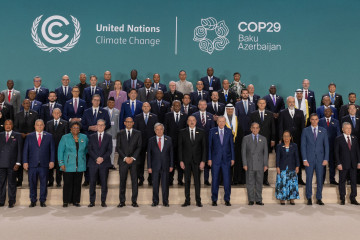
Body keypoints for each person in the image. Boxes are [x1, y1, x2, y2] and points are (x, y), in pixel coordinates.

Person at [23, 119, 55, 207]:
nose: (39, 126)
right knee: (32, 183)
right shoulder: (29, 136)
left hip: (44, 164)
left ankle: (42, 200)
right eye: (38, 125)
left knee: (44, 183)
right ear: (34, 126)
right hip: (32, 164)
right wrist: (25, 162)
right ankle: (33, 200)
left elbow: (52, 150)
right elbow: (25, 150)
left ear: (44, 126)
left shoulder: (49, 136)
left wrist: (52, 161)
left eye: (41, 125)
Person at [58, 121, 88, 207]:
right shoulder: (65, 137)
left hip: (80, 165)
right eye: (74, 127)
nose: (75, 129)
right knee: (67, 184)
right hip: (68, 165)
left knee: (77, 184)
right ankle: (66, 201)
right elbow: (60, 151)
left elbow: (86, 150)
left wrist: (81, 157)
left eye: (77, 128)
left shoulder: (84, 137)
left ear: (79, 129)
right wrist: (61, 163)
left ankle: (76, 201)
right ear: (70, 129)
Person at [178, 116, 206, 207]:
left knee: (197, 181)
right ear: (187, 122)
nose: (192, 122)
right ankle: (187, 200)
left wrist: (203, 161)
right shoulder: (182, 132)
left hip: (197, 161)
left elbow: (204, 148)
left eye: (193, 120)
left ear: (196, 121)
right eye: (190, 120)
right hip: (186, 161)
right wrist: (181, 160)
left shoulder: (201, 132)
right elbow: (180, 148)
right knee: (187, 181)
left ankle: (198, 200)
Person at [301, 113, 329, 205]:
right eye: (312, 119)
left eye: (316, 119)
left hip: (320, 159)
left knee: (320, 179)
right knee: (309, 178)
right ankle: (309, 197)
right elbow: (303, 146)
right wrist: (304, 159)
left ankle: (319, 198)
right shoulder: (305, 130)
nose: (314, 121)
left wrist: (326, 159)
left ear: (318, 120)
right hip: (309, 159)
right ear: (310, 120)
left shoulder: (323, 130)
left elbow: (326, 146)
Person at [278, 96, 305, 185]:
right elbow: (280, 127)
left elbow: (303, 127)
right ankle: (286, 177)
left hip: (298, 139)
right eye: (290, 102)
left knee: (298, 158)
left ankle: (299, 178)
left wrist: (303, 139)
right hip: (286, 139)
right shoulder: (282, 112)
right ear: (287, 103)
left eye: (293, 102)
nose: (291, 103)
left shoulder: (300, 112)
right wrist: (280, 139)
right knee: (286, 157)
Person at [208, 116, 235, 206]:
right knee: (215, 180)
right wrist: (209, 159)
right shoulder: (212, 131)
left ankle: (227, 199)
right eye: (220, 121)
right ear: (217, 122)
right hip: (215, 160)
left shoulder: (229, 131)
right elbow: (210, 147)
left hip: (226, 160)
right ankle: (214, 199)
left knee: (227, 181)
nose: (221, 123)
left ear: (225, 122)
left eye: (223, 121)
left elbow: (231, 146)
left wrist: (233, 158)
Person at [116, 117, 142, 207]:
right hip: (123, 161)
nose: (129, 123)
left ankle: (134, 201)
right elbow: (118, 147)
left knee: (135, 182)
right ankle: (122, 201)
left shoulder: (138, 133)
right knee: (122, 181)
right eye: (127, 122)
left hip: (134, 161)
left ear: (133, 123)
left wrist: (133, 157)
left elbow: (139, 147)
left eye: (131, 122)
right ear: (124, 123)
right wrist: (125, 158)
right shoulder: (120, 133)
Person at [147, 123, 173, 207]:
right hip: (155, 166)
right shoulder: (151, 140)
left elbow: (171, 153)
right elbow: (149, 155)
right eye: (157, 129)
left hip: (166, 166)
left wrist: (171, 165)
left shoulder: (168, 139)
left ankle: (165, 201)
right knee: (155, 185)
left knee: (165, 185)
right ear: (154, 131)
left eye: (161, 129)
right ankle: (155, 201)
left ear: (163, 130)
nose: (159, 131)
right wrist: (149, 166)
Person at [250, 98, 275, 186]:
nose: (261, 104)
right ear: (257, 104)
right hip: (255, 140)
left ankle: (265, 179)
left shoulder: (270, 114)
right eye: (260, 103)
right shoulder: (253, 114)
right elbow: (251, 128)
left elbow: (272, 128)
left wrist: (272, 139)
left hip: (266, 141)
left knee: (265, 160)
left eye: (263, 103)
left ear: (265, 104)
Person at [242, 122, 268, 205]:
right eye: (253, 128)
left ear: (259, 129)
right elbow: (243, 152)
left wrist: (265, 164)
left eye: (257, 128)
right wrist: (244, 164)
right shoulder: (246, 138)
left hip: (260, 164)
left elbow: (265, 153)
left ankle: (258, 199)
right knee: (250, 182)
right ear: (251, 129)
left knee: (259, 182)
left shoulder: (263, 139)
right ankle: (251, 199)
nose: (255, 129)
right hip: (250, 164)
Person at [88, 119, 113, 207]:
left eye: (102, 125)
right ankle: (92, 201)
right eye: (99, 125)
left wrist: (102, 158)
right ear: (96, 126)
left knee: (104, 183)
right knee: (92, 183)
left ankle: (103, 201)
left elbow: (110, 150)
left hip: (104, 163)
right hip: (93, 163)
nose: (100, 126)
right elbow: (89, 149)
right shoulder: (91, 136)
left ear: (105, 126)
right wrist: (96, 158)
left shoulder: (109, 137)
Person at [14, 99, 38, 187]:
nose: (27, 104)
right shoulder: (18, 114)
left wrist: (30, 134)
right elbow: (15, 127)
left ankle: (31, 181)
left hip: (31, 139)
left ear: (30, 104)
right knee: (20, 158)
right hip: (20, 139)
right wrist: (21, 134)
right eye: (25, 103)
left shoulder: (35, 113)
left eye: (28, 103)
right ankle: (19, 181)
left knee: (31, 159)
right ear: (22, 104)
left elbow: (37, 126)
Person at [335, 122, 360, 205]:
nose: (349, 130)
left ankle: (353, 198)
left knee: (353, 181)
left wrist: (359, 162)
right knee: (342, 181)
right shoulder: (338, 138)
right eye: (347, 128)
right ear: (343, 129)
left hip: (353, 164)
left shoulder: (354, 138)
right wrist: (338, 163)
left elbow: (357, 151)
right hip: (343, 164)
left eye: (350, 128)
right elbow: (336, 152)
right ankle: (342, 198)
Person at [134, 102, 158, 186]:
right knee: (140, 162)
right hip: (140, 143)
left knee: (152, 161)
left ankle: (151, 179)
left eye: (147, 106)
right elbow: (135, 131)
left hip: (152, 142)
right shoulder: (137, 117)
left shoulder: (154, 117)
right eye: (144, 106)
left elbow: (157, 130)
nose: (146, 107)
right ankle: (140, 178)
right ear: (142, 108)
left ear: (150, 107)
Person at [192, 99, 215, 185]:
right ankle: (196, 179)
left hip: (208, 142)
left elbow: (212, 129)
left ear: (206, 106)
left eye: (204, 104)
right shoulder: (194, 116)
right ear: (198, 106)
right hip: (197, 142)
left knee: (206, 159)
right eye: (200, 104)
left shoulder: (210, 115)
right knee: (197, 159)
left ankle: (206, 179)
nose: (202, 106)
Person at [164, 100, 187, 185]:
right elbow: (165, 129)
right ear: (172, 107)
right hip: (170, 143)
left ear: (180, 107)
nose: (177, 107)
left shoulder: (185, 116)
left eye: (178, 105)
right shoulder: (167, 115)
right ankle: (170, 180)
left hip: (181, 144)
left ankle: (180, 180)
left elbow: (186, 130)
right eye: (175, 105)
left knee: (180, 161)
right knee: (171, 162)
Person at [0, 120, 22, 208]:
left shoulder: (17, 135)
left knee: (12, 183)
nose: (8, 126)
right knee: (1, 183)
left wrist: (18, 162)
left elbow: (20, 150)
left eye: (10, 124)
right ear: (4, 126)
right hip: (1, 164)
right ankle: (1, 201)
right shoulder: (0, 135)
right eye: (6, 124)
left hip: (13, 164)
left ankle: (11, 201)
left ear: (12, 126)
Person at [275, 130, 300, 205]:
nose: (286, 137)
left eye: (287, 136)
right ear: (282, 137)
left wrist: (297, 166)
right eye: (284, 136)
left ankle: (292, 199)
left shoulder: (294, 145)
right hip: (282, 167)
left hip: (292, 167)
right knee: (282, 183)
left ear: (290, 137)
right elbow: (277, 158)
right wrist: (277, 167)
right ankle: (282, 199)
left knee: (292, 183)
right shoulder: (279, 146)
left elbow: (297, 157)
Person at [45, 108, 68, 187]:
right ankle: (50, 181)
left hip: (60, 147)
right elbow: (46, 135)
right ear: (52, 114)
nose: (56, 114)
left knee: (59, 165)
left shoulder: (65, 123)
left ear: (60, 114)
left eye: (58, 113)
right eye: (55, 113)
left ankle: (58, 182)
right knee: (50, 164)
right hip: (50, 147)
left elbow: (66, 136)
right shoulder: (48, 123)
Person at [319, 108, 341, 185]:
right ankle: (321, 180)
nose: (327, 112)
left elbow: (338, 133)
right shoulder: (320, 121)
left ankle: (332, 179)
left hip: (333, 146)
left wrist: (338, 145)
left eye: (328, 111)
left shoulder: (336, 121)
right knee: (322, 163)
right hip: (322, 146)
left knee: (332, 163)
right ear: (323, 112)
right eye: (325, 111)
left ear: (332, 113)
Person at [224, 104, 244, 185]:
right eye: (228, 109)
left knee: (237, 162)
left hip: (237, 145)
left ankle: (236, 179)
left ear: (233, 110)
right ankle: (227, 180)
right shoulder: (222, 120)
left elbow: (241, 132)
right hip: (226, 145)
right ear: (226, 110)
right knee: (227, 163)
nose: (230, 111)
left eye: (231, 109)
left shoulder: (237, 119)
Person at [104, 97, 120, 170]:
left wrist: (118, 133)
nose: (111, 104)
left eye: (112, 102)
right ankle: (105, 163)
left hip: (114, 134)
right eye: (109, 102)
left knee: (113, 150)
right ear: (107, 103)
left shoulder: (117, 111)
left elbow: (118, 123)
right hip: (105, 134)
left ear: (114, 103)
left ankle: (111, 164)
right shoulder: (103, 110)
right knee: (104, 149)